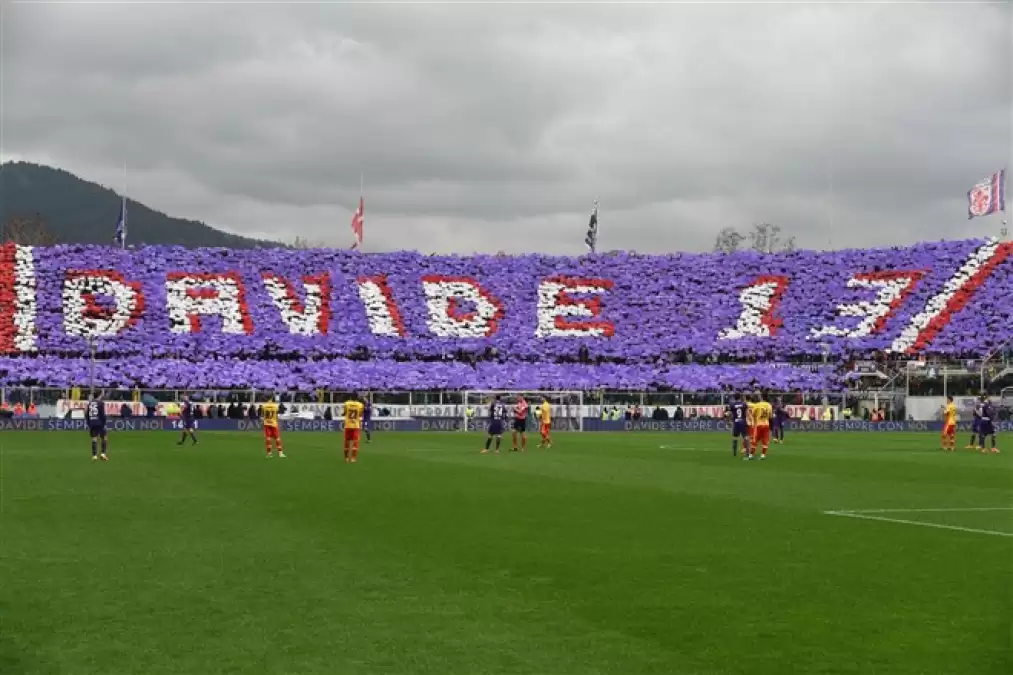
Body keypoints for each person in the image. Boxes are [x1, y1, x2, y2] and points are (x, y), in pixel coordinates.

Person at [84, 392, 109, 462]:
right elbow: (102, 414)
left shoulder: (90, 403)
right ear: (99, 396)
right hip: (100, 423)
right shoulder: (101, 403)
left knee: (94, 439)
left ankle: (94, 456)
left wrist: (89, 423)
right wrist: (104, 423)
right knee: (104, 437)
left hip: (92, 423)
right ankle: (103, 454)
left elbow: (86, 414)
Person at [726, 393, 750, 458]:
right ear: (740, 397)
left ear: (734, 397)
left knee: (735, 437)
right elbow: (747, 413)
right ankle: (748, 453)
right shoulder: (744, 404)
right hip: (743, 422)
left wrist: (728, 421)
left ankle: (734, 453)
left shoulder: (732, 405)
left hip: (736, 422)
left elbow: (729, 414)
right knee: (746, 437)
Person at [750, 393, 773, 460]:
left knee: (755, 440)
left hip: (758, 425)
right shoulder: (769, 405)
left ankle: (751, 455)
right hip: (766, 424)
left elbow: (753, 414)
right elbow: (770, 416)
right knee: (765, 440)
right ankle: (763, 455)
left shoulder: (757, 405)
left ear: (761, 397)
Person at [343, 394, 365, 463]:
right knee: (355, 442)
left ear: (350, 397)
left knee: (346, 442)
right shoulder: (360, 405)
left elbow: (345, 412)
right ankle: (353, 458)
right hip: (356, 426)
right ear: (357, 398)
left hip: (348, 425)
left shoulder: (346, 403)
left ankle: (346, 458)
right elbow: (360, 414)